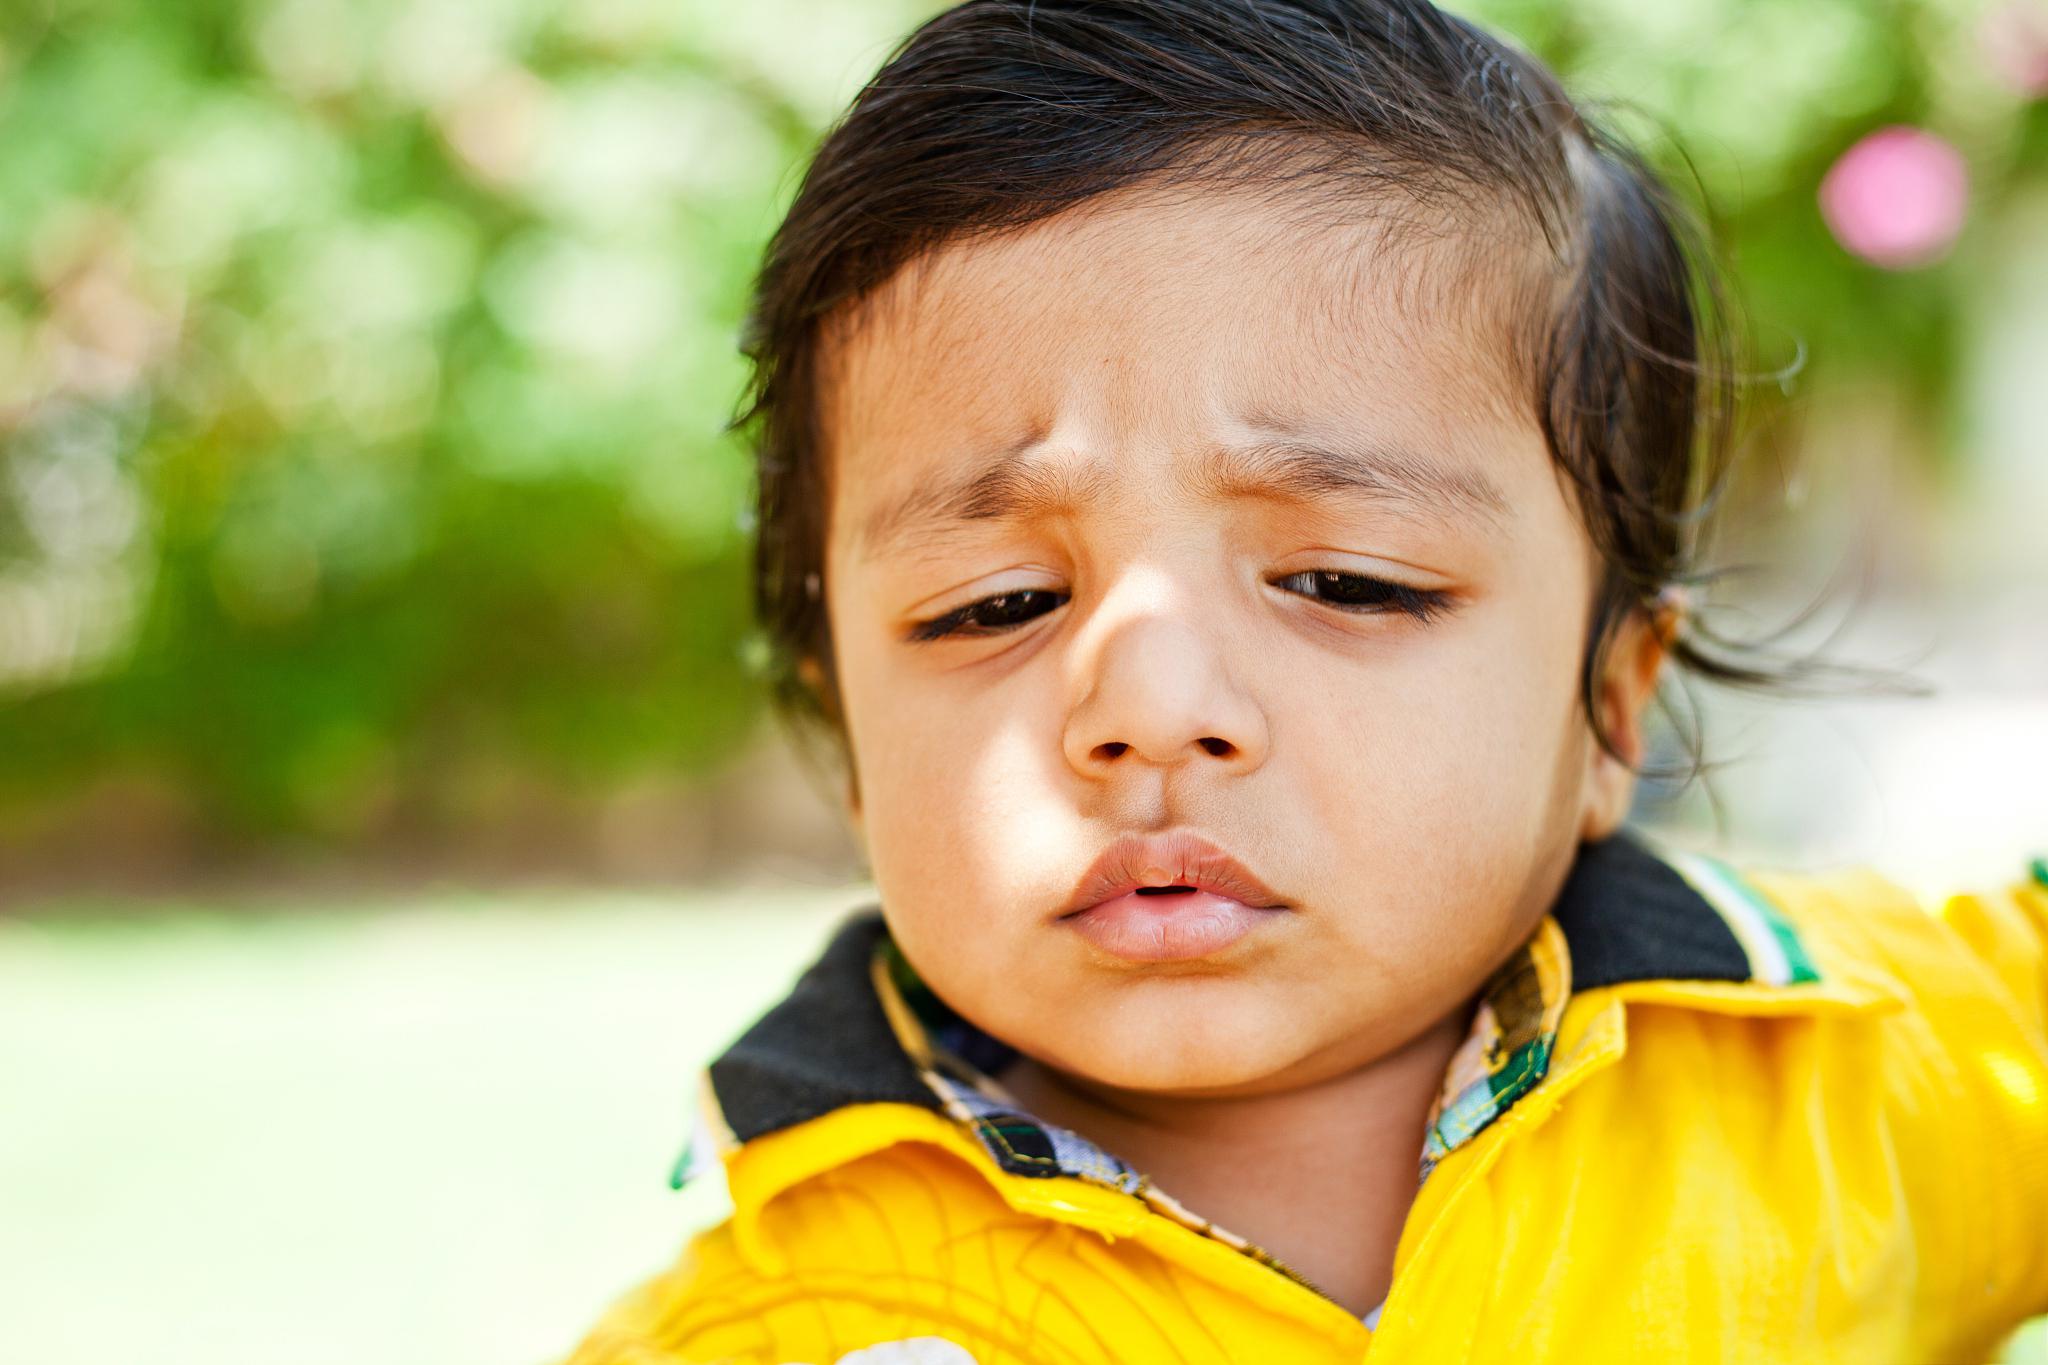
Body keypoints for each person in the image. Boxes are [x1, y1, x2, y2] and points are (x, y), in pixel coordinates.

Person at [561, 2, 2048, 1360]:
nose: (1147, 703)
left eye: (1349, 582)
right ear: (843, 738)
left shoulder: (1865, 1063)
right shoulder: (768, 1327)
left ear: (1611, 704)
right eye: (994, 604)